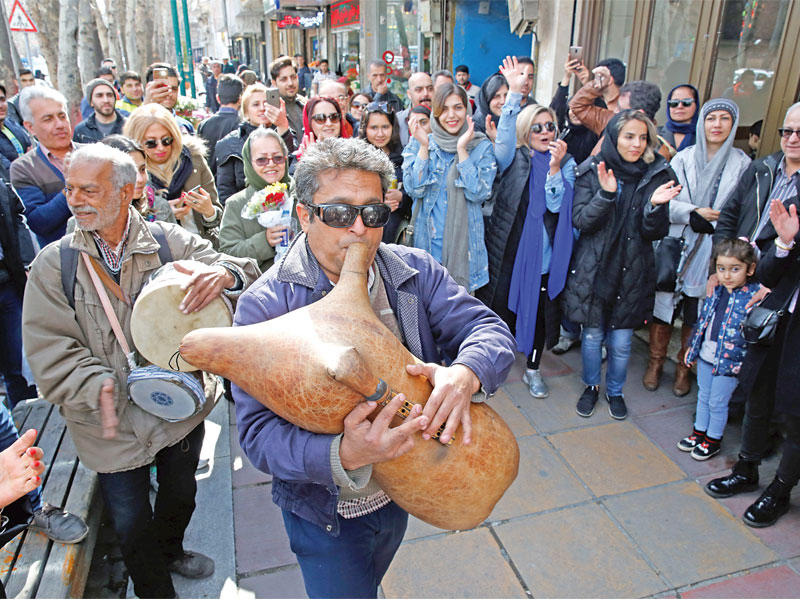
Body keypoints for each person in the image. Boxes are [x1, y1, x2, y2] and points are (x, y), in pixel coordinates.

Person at [233, 136, 515, 598]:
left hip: (401, 491)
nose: (359, 229)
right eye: (339, 213)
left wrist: (467, 373)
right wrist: (343, 454)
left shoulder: (413, 270)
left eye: (373, 212)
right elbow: (258, 436)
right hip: (325, 513)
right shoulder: (265, 307)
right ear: (304, 215)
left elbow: (487, 329)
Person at [22, 144, 259, 597]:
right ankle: (154, 589)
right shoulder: (56, 264)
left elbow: (240, 267)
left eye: (89, 190)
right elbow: (48, 347)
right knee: (130, 522)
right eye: (70, 189)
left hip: (178, 409)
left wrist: (226, 274)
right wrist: (97, 384)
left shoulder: (166, 241)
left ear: (126, 190)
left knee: (181, 496)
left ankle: (171, 550)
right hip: (107, 422)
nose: (74, 200)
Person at [562, 110, 679, 420]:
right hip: (595, 270)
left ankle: (615, 391)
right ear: (614, 138)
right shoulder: (593, 169)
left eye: (642, 137)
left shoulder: (657, 174)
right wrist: (605, 194)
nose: (636, 144)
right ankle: (591, 386)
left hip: (633, 272)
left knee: (622, 342)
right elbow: (581, 221)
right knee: (591, 337)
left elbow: (655, 232)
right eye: (629, 136)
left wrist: (654, 206)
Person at [705, 199, 800, 527]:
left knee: (796, 416)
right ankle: (746, 469)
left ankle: (780, 491)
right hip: (778, 321)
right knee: (757, 397)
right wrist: (785, 243)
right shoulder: (796, 206)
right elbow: (767, 274)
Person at [648, 99, 751, 395]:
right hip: (679, 243)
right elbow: (664, 201)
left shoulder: (743, 165)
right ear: (702, 123)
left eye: (724, 119)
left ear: (733, 125)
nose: (716, 125)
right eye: (711, 118)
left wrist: (717, 222)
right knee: (663, 308)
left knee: (697, 312)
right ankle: (655, 362)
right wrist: (693, 212)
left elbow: (742, 211)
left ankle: (684, 368)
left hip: (715, 249)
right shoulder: (682, 159)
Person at [481, 85, 576, 399]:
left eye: (550, 126)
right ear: (526, 131)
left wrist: (554, 169)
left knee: (539, 315)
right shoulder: (515, 158)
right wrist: (512, 94)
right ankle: (489, 364)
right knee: (499, 311)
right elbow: (505, 139)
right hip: (509, 253)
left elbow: (557, 205)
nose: (545, 132)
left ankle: (533, 370)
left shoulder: (566, 163)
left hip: (544, 257)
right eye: (537, 127)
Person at [402, 82, 497, 293]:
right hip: (426, 249)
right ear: (435, 113)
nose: (451, 115)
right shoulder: (420, 142)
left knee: (460, 310)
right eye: (444, 109)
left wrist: (462, 150)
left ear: (467, 110)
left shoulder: (480, 146)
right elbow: (414, 189)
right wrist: (424, 148)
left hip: (464, 256)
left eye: (458, 107)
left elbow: (479, 193)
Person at [678, 239, 760, 460]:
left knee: (718, 402)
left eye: (735, 269)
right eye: (721, 269)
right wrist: (692, 348)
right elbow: (703, 321)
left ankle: (713, 439)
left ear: (750, 269)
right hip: (707, 354)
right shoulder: (716, 290)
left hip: (730, 362)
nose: (727, 275)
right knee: (703, 396)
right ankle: (698, 433)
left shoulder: (753, 296)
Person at [124, 103, 222, 245]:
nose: (160, 148)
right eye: (151, 143)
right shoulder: (133, 171)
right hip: (161, 249)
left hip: (202, 245)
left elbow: (218, 212)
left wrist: (209, 212)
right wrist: (164, 213)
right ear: (137, 141)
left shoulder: (193, 159)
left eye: (166, 140)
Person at [715, 102, 800, 251]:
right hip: (736, 263)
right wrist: (724, 257)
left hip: (779, 264)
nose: (792, 139)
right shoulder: (760, 168)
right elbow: (728, 217)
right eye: (787, 131)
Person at [11, 86, 79, 247]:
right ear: (30, 127)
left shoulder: (93, 153)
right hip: (61, 255)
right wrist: (73, 187)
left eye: (62, 116)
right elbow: (39, 222)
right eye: (48, 119)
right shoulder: (24, 168)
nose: (60, 124)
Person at [219, 128, 293, 272]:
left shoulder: (301, 195)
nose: (271, 164)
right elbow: (228, 254)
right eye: (261, 160)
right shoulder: (236, 204)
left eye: (277, 158)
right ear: (249, 162)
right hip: (260, 282)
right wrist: (264, 241)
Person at [215, 83, 296, 204]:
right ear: (246, 111)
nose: (262, 108)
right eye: (256, 104)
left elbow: (291, 170)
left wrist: (283, 127)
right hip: (246, 209)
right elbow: (225, 191)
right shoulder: (229, 143)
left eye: (266, 103)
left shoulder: (285, 133)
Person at [358, 103, 411, 243]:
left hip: (395, 236)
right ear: (365, 129)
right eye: (374, 128)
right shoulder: (357, 160)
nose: (380, 134)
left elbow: (415, 195)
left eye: (385, 127)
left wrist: (401, 197)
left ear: (393, 127)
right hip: (364, 233)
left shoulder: (404, 157)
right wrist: (378, 204)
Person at [101, 134, 176, 224]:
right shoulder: (90, 216)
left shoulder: (160, 208)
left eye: (142, 169)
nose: (139, 179)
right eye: (129, 172)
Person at [549, 56, 598, 166]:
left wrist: (587, 83)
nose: (576, 113)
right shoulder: (563, 131)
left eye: (581, 110)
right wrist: (566, 77)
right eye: (572, 109)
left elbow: (599, 111)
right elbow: (554, 111)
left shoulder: (593, 132)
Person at [198, 74, 245, 175]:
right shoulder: (243, 125)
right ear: (240, 99)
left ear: (218, 98)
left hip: (211, 181)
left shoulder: (204, 125)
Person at [142, 63, 195, 134]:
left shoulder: (185, 127)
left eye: (174, 89)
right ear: (149, 87)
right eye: (163, 88)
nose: (169, 93)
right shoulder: (137, 124)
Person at [73, 78, 127, 144]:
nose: (106, 100)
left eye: (109, 95)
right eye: (99, 96)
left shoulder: (129, 126)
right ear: (91, 102)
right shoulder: (81, 130)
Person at [296, 96, 348, 160]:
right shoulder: (297, 160)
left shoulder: (354, 154)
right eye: (320, 118)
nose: (329, 123)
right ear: (309, 123)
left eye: (334, 117)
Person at [269, 56, 306, 141]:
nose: (290, 83)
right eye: (284, 79)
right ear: (274, 83)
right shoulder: (271, 110)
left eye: (293, 77)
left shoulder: (305, 104)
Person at [659, 85, 700, 152]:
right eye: (674, 103)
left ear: (696, 105)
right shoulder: (654, 134)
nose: (680, 106)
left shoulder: (704, 137)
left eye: (686, 102)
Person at [396, 72, 433, 145]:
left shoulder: (443, 119)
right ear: (409, 94)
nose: (425, 93)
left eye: (430, 89)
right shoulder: (398, 121)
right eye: (419, 90)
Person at [0, 84, 31, 170]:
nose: (0, 106)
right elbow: (6, 170)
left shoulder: (11, 124)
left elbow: (33, 147)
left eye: (2, 100)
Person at [472, 72, 508, 142]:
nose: (503, 101)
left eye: (506, 95)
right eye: (496, 96)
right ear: (486, 99)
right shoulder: (477, 125)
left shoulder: (516, 119)